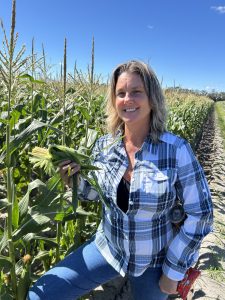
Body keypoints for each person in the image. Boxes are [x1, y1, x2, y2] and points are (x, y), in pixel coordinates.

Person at [28, 60, 213, 300]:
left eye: (136, 92)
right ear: (114, 101)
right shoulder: (104, 146)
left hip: (154, 260)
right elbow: (95, 194)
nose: (127, 99)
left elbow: (202, 213)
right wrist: (74, 182)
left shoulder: (176, 150)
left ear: (152, 98)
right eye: (121, 93)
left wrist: (174, 270)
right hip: (109, 249)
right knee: (40, 295)